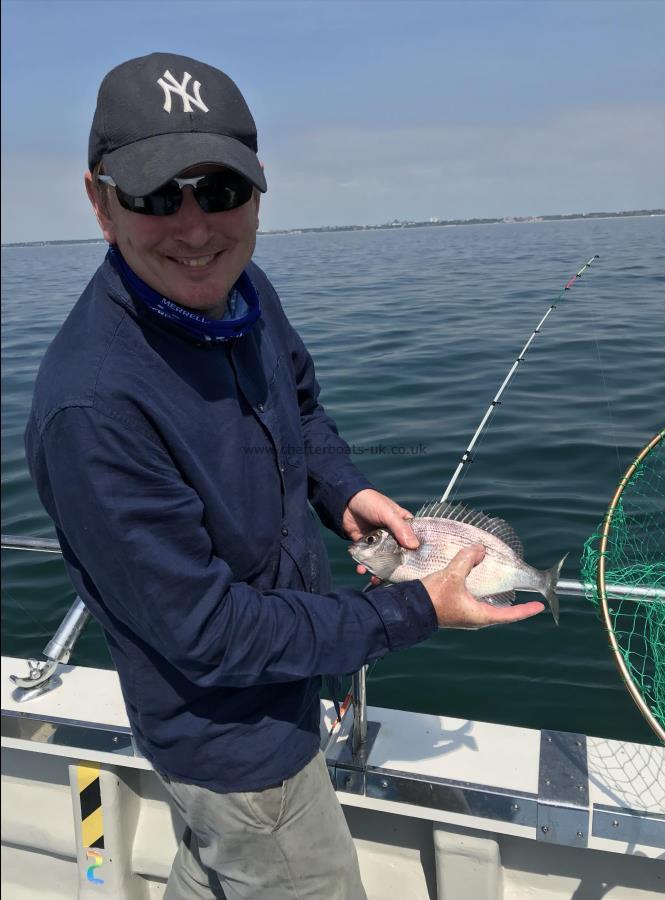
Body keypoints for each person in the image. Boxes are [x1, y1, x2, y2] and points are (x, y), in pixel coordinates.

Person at [24, 52, 544, 900]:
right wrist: (413, 609)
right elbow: (210, 634)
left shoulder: (238, 290)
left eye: (220, 191)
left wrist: (339, 487)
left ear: (258, 191)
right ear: (99, 201)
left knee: (211, 870)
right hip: (234, 745)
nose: (195, 229)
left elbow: (297, 407)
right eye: (157, 196)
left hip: (288, 680)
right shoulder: (93, 410)